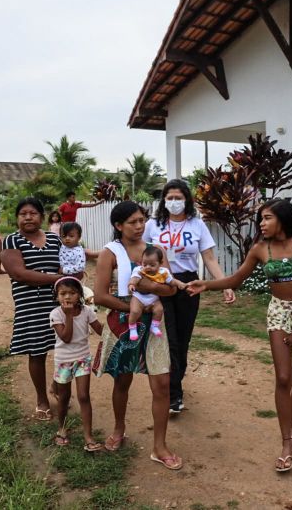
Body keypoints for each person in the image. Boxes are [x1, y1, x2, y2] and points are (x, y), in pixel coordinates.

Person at [187, 199, 292, 473]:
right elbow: (235, 280)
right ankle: (286, 444)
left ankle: (291, 425)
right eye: (261, 219)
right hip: (279, 314)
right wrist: (207, 284)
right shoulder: (260, 249)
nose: (262, 223)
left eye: (267, 218)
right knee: (283, 377)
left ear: (282, 218)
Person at [93, 201, 183, 470]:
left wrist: (143, 290)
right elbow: (99, 296)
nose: (139, 225)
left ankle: (160, 446)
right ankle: (119, 429)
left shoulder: (155, 251)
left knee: (162, 384)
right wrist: (133, 307)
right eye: (132, 221)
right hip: (124, 322)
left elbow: (171, 290)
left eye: (142, 220)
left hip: (154, 323)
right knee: (122, 381)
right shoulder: (110, 253)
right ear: (118, 226)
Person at [143, 179, 235, 414]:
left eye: (179, 198)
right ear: (163, 200)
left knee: (183, 339)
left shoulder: (197, 224)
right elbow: (140, 254)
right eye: (170, 198)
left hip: (189, 284)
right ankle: (174, 395)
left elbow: (210, 258)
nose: (174, 202)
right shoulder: (153, 225)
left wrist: (223, 284)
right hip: (160, 283)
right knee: (168, 338)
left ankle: (176, 382)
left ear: (187, 200)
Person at [0, 197, 63, 420]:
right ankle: (41, 399)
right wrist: (58, 278)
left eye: (33, 213)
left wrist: (68, 280)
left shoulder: (55, 239)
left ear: (42, 217)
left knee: (67, 347)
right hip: (30, 304)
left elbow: (64, 265)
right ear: (17, 218)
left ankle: (57, 385)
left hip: (58, 302)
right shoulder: (11, 241)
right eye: (23, 214)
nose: (28, 217)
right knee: (37, 352)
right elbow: (19, 273)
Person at [49, 276, 104, 451]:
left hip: (83, 359)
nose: (67, 297)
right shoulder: (56, 314)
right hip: (63, 361)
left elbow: (99, 329)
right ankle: (62, 429)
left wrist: (114, 331)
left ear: (79, 294)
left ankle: (88, 436)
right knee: (64, 398)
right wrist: (69, 316)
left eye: (72, 293)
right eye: (62, 294)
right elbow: (66, 337)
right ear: (57, 296)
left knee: (83, 396)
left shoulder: (87, 311)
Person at [127, 247, 186, 341]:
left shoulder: (163, 272)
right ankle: (132, 328)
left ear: (160, 263)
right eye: (145, 264)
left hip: (153, 298)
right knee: (134, 311)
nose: (148, 267)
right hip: (139, 297)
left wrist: (179, 283)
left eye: (152, 265)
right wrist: (131, 284)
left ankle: (154, 326)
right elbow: (135, 278)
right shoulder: (139, 270)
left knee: (159, 309)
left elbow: (171, 281)